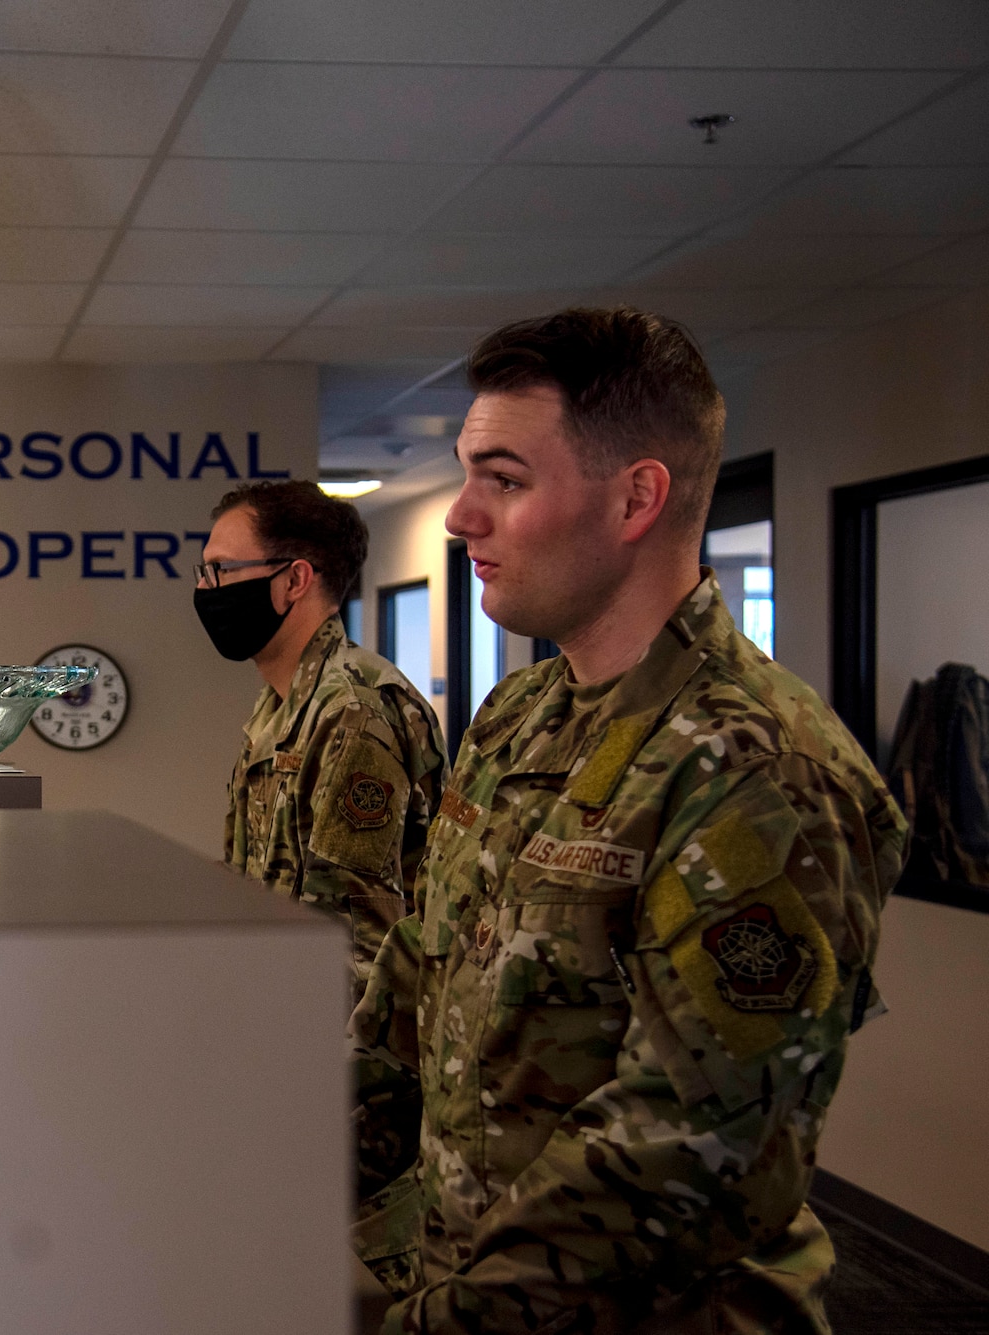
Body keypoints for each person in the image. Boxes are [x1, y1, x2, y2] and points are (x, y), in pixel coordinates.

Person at [352, 308, 906, 1332]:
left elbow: (685, 1147)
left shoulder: (754, 765)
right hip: (456, 1283)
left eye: (503, 480)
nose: (459, 516)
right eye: (467, 474)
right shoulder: (517, 721)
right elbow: (409, 1000)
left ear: (635, 499)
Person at [196, 480, 446, 984]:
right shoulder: (282, 705)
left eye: (220, 570)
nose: (205, 589)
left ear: (294, 581)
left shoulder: (352, 712)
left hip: (330, 1042)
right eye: (203, 572)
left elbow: (356, 943)